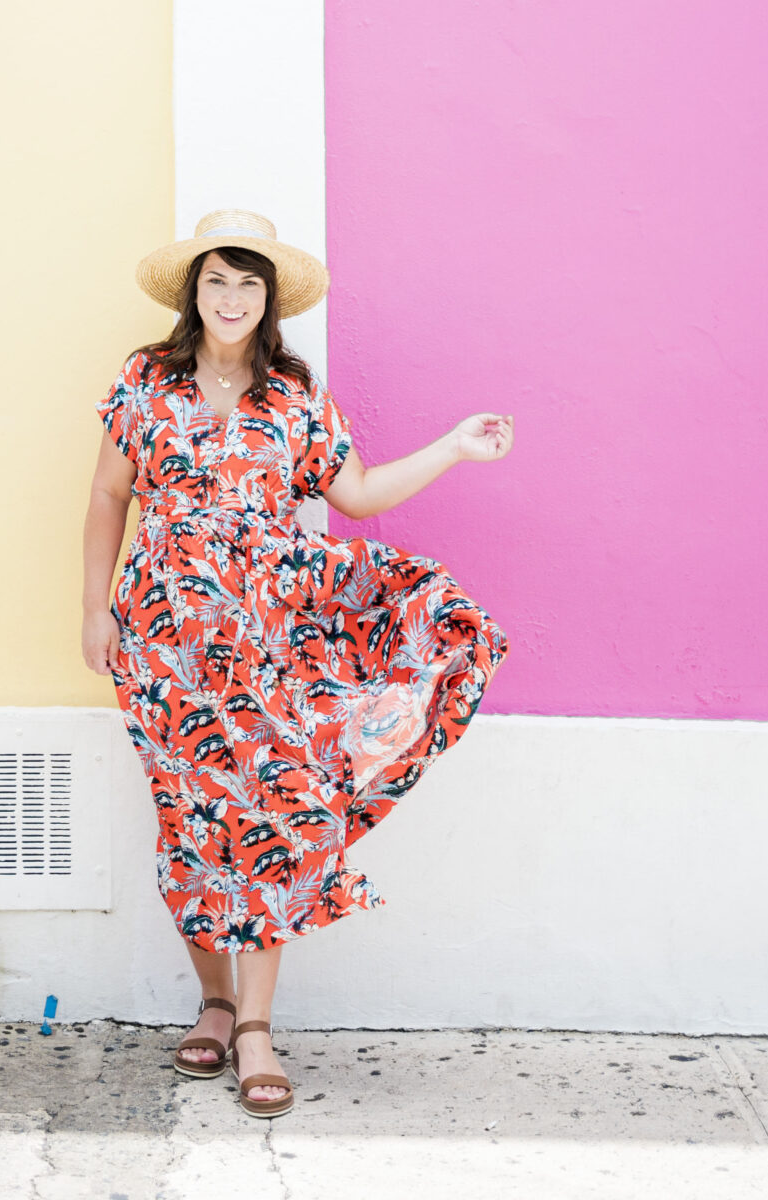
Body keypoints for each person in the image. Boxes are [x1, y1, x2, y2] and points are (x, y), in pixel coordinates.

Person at [82, 208, 512, 1119]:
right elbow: (108, 498)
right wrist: (94, 610)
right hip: (163, 643)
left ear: (267, 299)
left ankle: (254, 1030)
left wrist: (452, 447)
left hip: (272, 643)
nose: (231, 298)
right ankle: (213, 999)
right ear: (192, 292)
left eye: (248, 283)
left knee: (271, 814)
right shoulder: (145, 380)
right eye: (216, 280)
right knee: (192, 821)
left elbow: (352, 496)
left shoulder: (294, 395)